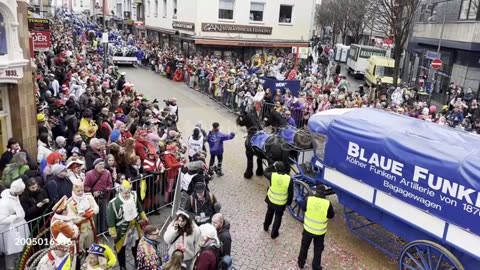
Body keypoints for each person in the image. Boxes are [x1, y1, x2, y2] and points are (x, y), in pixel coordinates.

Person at [107, 180, 149, 270]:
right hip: (121, 230)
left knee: (136, 246)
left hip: (135, 226)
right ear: (120, 192)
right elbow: (110, 219)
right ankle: (122, 266)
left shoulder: (133, 196)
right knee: (121, 249)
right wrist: (113, 232)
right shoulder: (113, 203)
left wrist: (143, 216)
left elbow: (139, 206)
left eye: (128, 193)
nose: (127, 195)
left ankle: (137, 262)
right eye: (125, 193)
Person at [297, 185, 335, 270]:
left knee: (304, 247)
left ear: (316, 192)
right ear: (324, 193)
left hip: (308, 229)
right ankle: (316, 266)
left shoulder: (309, 200)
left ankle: (301, 263)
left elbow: (303, 208)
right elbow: (331, 215)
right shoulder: (327, 203)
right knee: (318, 249)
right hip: (320, 232)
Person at [66, 176, 99, 259]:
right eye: (78, 191)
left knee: (90, 248)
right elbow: (71, 218)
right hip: (78, 231)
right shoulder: (69, 203)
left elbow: (96, 208)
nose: (81, 192)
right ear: (73, 190)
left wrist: (90, 213)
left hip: (90, 227)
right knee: (78, 251)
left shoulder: (88, 197)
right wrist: (83, 217)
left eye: (82, 190)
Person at [0, 179, 29, 270]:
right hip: (10, 232)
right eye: (22, 189)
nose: (23, 191)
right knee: (11, 254)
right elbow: (1, 219)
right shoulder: (5, 202)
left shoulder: (14, 196)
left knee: (19, 253)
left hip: (18, 230)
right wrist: (15, 217)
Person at [263, 161, 293, 239]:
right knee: (278, 217)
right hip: (281, 202)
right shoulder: (289, 179)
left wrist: (272, 165)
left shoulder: (272, 176)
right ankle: (274, 233)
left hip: (271, 199)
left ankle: (266, 226)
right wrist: (289, 202)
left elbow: (265, 172)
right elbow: (290, 193)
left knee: (269, 213)